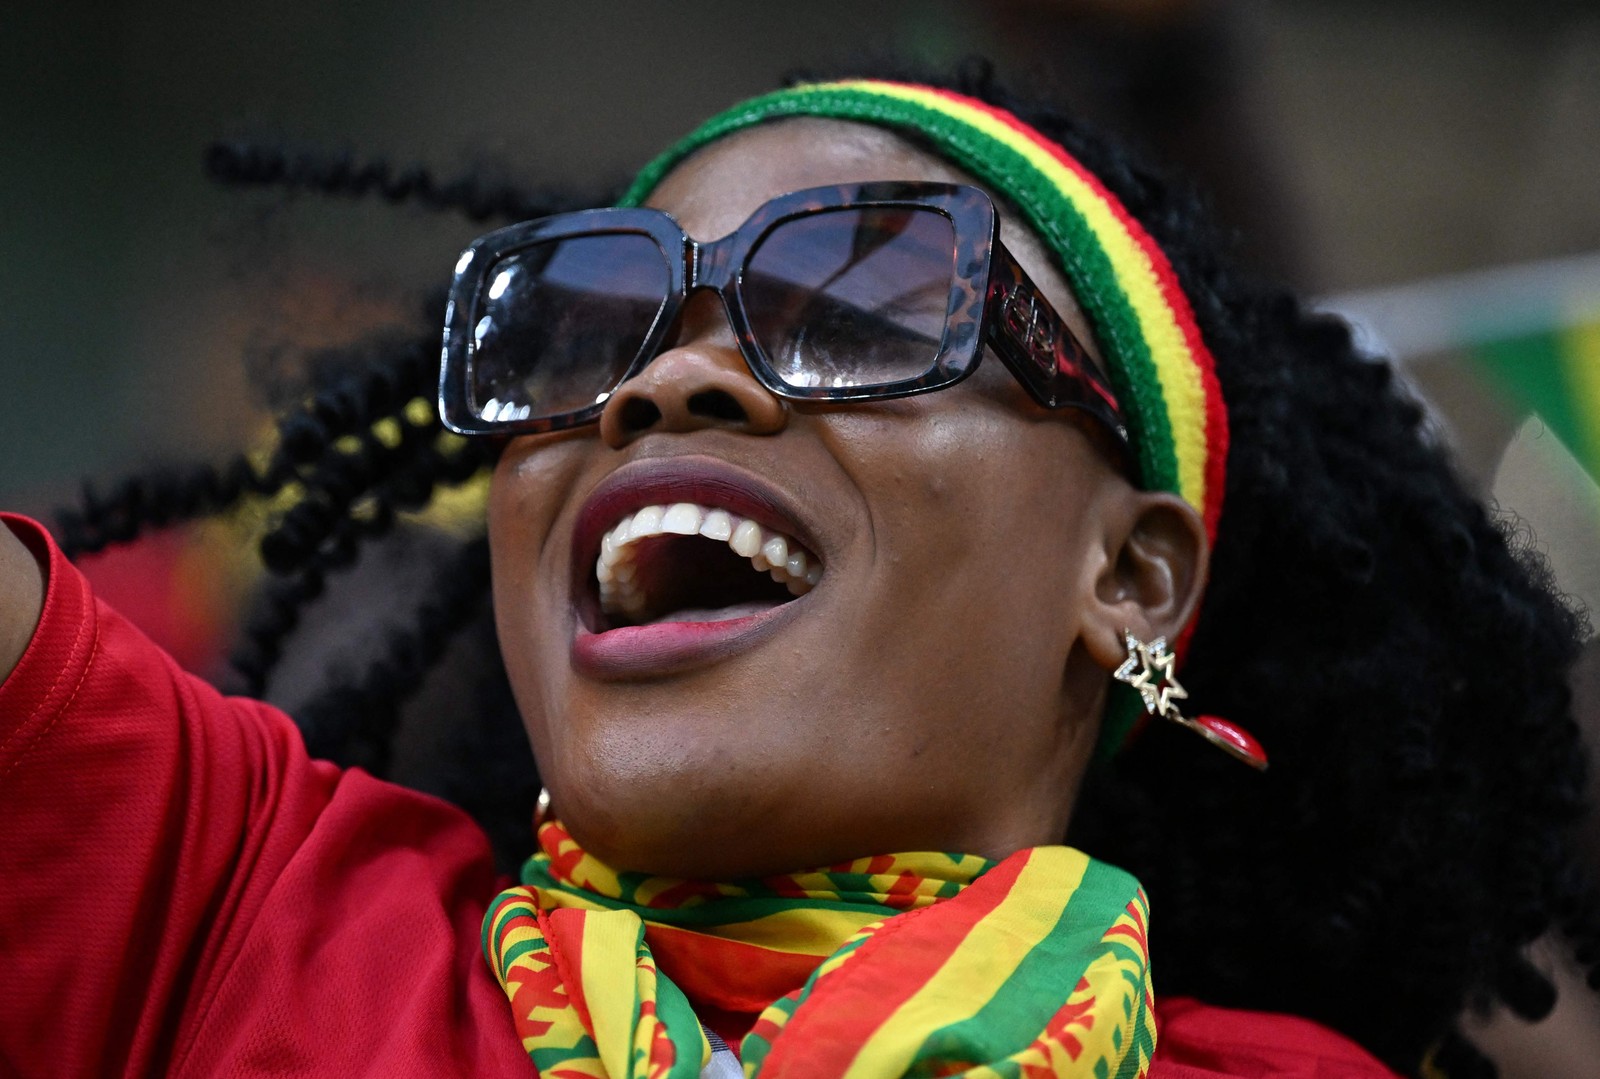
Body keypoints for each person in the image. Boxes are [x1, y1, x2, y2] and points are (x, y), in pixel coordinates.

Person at [1, 67, 1594, 1079]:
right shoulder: (236, 909)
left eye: (859, 309)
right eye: (586, 335)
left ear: (1130, 578)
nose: (660, 383)